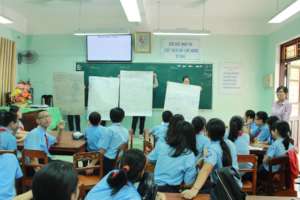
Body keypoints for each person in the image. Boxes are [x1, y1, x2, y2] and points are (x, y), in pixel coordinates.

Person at [181, 118, 239, 199]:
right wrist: (202, 160)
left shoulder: (212, 149)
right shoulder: (230, 144)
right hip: (236, 185)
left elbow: (206, 170)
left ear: (207, 132)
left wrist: (194, 190)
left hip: (224, 190)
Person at [148, 121, 197, 192]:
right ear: (191, 137)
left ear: (172, 132)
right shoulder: (188, 154)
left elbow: (149, 160)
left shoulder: (161, 145)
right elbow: (188, 183)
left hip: (153, 187)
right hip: (172, 191)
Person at [97, 107, 129, 175]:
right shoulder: (126, 131)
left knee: (84, 169)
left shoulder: (108, 130)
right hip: (119, 161)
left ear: (110, 117)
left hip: (107, 162)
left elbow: (102, 151)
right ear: (123, 118)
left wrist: (91, 164)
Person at [131, 72, 159, 138]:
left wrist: (155, 77)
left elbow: (156, 85)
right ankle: (133, 134)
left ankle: (141, 134)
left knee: (142, 120)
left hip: (144, 105)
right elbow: (127, 84)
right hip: (136, 105)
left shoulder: (147, 85)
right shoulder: (135, 86)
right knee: (134, 120)